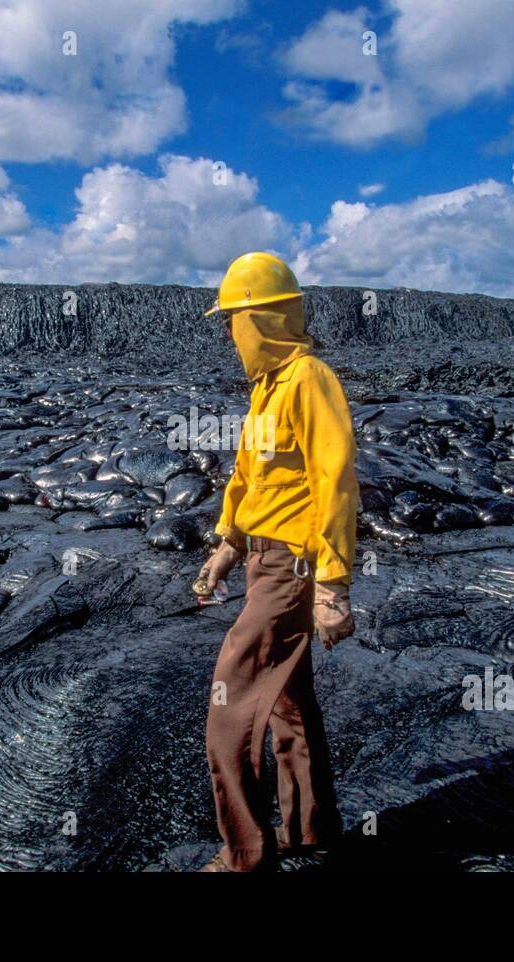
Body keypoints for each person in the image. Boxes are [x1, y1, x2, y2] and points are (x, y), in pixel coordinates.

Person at [193, 251, 359, 872]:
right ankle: (308, 829)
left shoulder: (310, 378)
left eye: (235, 319)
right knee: (288, 699)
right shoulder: (266, 390)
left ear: (261, 319)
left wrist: (332, 584)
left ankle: (244, 855)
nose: (232, 334)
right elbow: (250, 478)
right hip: (264, 560)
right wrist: (227, 546)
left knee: (229, 700)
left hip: (292, 567)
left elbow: (334, 479)